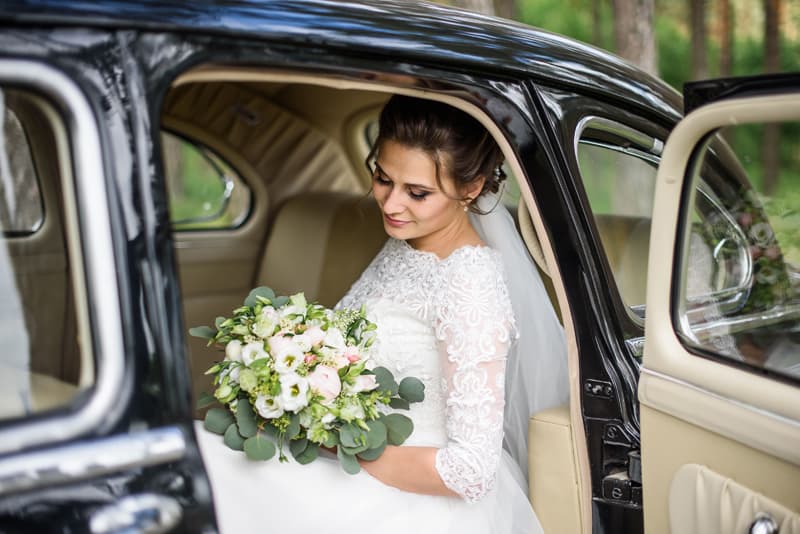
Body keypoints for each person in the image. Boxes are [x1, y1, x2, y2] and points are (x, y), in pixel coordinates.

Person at [194, 95, 569, 533]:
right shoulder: (407, 243)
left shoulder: (471, 284)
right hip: (351, 456)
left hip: (407, 491)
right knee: (198, 453)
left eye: (418, 193)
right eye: (382, 178)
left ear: (471, 188)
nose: (390, 205)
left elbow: (468, 469)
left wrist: (340, 445)